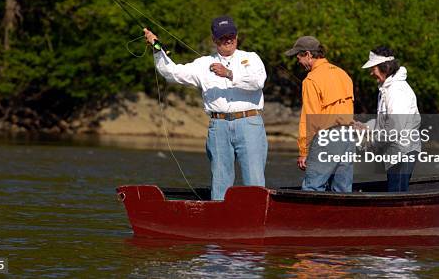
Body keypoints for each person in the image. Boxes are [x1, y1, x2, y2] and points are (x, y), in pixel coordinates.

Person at [143, 16, 268, 200]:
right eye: (223, 36)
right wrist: (156, 48)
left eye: (231, 35)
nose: (228, 40)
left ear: (237, 36)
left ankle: (256, 217)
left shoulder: (251, 58)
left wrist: (229, 74)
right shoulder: (202, 64)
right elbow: (172, 73)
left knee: (254, 179)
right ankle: (219, 218)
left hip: (249, 123)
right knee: (220, 179)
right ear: (214, 39)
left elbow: (258, 82)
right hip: (218, 126)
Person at [285, 36, 355, 192]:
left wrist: (304, 151)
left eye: (299, 57)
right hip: (348, 137)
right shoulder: (343, 74)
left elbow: (309, 119)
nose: (298, 61)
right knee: (343, 189)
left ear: (309, 54)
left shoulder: (311, 80)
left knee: (312, 187)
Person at [362, 46, 421, 192]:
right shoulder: (385, 89)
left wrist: (374, 142)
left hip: (403, 151)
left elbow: (395, 128)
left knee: (397, 194)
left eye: (373, 68)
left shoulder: (396, 91)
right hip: (394, 150)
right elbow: (386, 123)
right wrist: (366, 127)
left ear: (385, 68)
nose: (371, 73)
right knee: (395, 192)